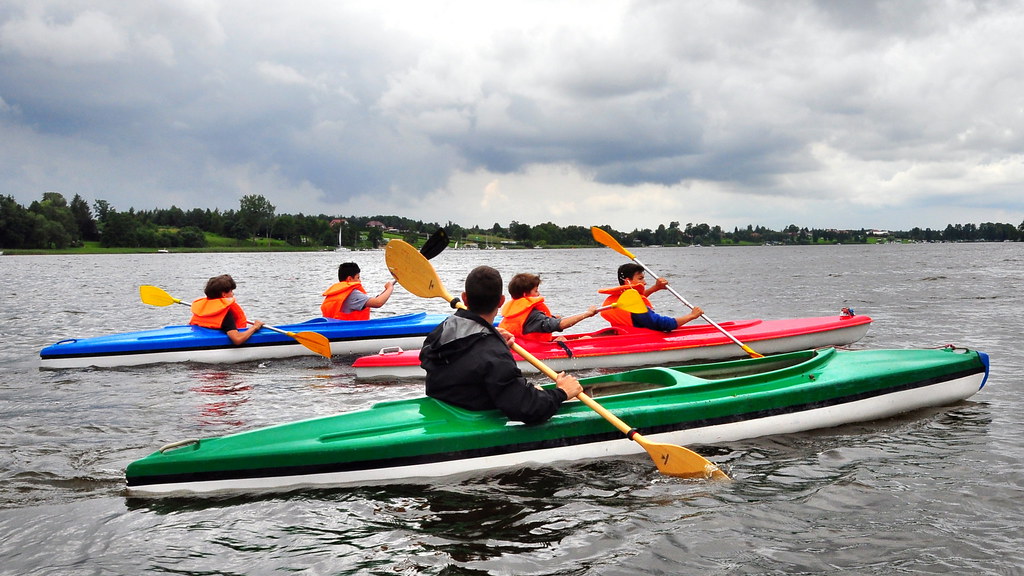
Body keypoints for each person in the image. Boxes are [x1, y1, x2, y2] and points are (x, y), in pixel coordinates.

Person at [419, 265, 583, 424]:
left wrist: (493, 337)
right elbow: (526, 408)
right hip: (472, 422)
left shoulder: (441, 330)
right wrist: (562, 392)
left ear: (464, 298)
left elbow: (464, 354)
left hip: (444, 411)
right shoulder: (493, 352)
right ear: (501, 301)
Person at [599, 263, 704, 332]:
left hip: (623, 335)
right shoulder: (635, 306)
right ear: (628, 281)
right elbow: (662, 324)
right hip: (639, 340)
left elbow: (635, 300)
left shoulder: (617, 298)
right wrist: (691, 316)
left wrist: (656, 288)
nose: (644, 282)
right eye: (640, 278)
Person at [497, 273, 598, 343]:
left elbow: (535, 324)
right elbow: (561, 325)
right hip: (533, 351)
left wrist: (552, 318)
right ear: (525, 295)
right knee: (587, 339)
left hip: (522, 346)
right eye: (536, 291)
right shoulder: (534, 316)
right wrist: (587, 314)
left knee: (561, 338)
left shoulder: (517, 312)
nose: (538, 294)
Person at [189, 274, 265, 345]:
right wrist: (255, 327)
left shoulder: (202, 309)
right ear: (224, 294)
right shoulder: (225, 313)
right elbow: (237, 339)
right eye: (231, 291)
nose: (233, 294)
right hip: (212, 344)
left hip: (199, 338)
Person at [321, 262, 394, 320]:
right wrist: (390, 288)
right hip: (351, 331)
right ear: (349, 279)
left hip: (335, 328)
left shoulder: (335, 294)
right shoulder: (352, 294)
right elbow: (378, 303)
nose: (360, 281)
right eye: (358, 278)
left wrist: (385, 291)